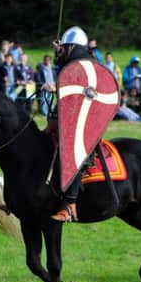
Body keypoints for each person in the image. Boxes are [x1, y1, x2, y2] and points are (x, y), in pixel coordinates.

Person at [49, 26, 97, 222]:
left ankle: (71, 205)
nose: (63, 51)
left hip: (83, 124)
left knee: (72, 152)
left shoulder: (87, 65)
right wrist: (58, 53)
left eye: (66, 48)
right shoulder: (73, 62)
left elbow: (85, 92)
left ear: (73, 48)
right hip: (65, 120)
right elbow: (64, 71)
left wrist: (58, 87)